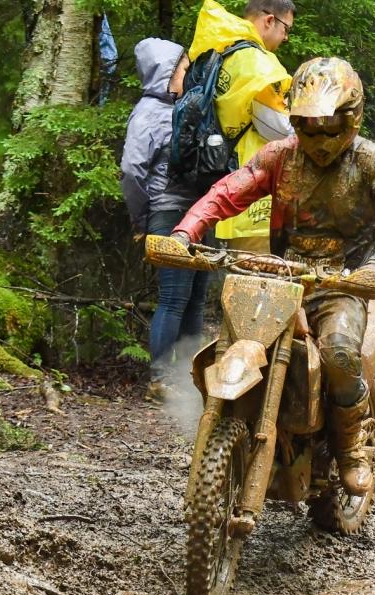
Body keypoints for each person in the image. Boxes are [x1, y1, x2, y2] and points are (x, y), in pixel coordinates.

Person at [170, 58, 375, 496]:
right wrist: (187, 230)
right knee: (234, 330)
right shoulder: (281, 156)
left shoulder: (373, 161)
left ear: (352, 117)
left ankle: (351, 447)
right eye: (309, 128)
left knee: (339, 351)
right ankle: (233, 426)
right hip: (283, 275)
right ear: (295, 122)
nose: (319, 140)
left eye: (329, 128)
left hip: (343, 282)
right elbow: (229, 191)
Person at [121, 38, 211, 400]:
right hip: (170, 213)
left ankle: (191, 375)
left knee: (195, 299)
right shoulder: (147, 113)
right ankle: (160, 378)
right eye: (183, 68)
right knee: (174, 298)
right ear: (165, 72)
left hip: (201, 213)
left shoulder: (183, 107)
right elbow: (131, 171)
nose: (187, 74)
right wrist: (142, 218)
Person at [189, 0, 296, 255]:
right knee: (262, 282)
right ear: (269, 21)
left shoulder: (225, 51)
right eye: (286, 29)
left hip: (231, 179)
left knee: (242, 277)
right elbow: (282, 128)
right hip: (257, 192)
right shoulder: (258, 65)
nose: (286, 38)